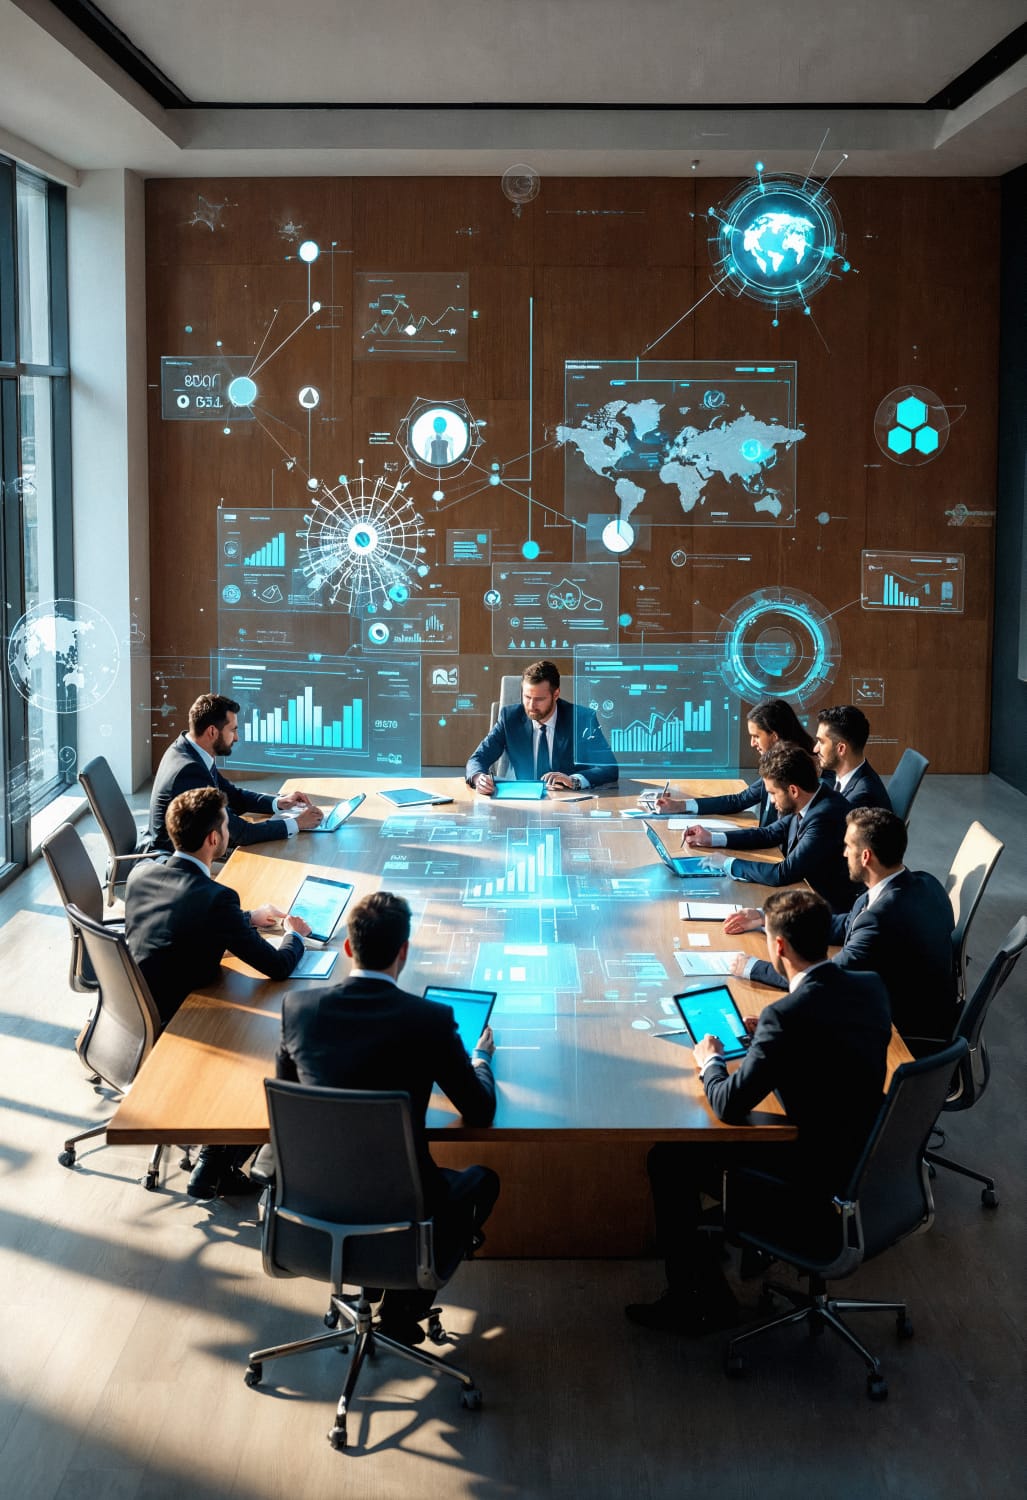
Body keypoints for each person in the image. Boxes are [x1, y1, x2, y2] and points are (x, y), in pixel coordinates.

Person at [626, 889, 891, 1335]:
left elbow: (729, 1105)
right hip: (865, 1157)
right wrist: (770, 1039)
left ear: (778, 947)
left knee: (668, 1158)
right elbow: (830, 1039)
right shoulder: (870, 986)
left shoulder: (787, 1018)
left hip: (810, 1173)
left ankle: (698, 1301)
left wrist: (709, 1060)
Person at [277, 890, 500, 1347]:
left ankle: (376, 1278)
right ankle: (406, 1304)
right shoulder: (429, 1020)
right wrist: (480, 1060)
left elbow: (288, 1096)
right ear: (404, 951)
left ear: (346, 948)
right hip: (405, 1207)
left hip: (314, 1203)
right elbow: (479, 1111)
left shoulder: (298, 1010)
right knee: (485, 1180)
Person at [125, 786, 312, 1199]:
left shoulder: (142, 874)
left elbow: (180, 915)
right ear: (214, 839)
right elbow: (277, 968)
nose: (229, 831)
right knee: (283, 1038)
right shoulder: (215, 898)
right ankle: (221, 1158)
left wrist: (245, 919)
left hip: (141, 1014)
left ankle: (215, 1159)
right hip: (189, 1020)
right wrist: (292, 936)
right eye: (226, 826)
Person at [725, 807, 957, 1045]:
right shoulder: (924, 883)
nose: (844, 853)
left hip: (900, 1031)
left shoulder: (881, 917)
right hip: (924, 1007)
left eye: (848, 846)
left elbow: (826, 979)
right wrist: (772, 919)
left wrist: (752, 967)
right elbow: (847, 924)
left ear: (866, 857)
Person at [682, 743, 860, 912]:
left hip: (825, 912)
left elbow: (784, 873)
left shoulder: (824, 816)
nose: (772, 801)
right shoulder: (809, 799)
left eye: (773, 793)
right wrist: (712, 838)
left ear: (793, 790)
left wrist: (727, 863)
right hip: (801, 895)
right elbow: (769, 833)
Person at [148, 693, 323, 853]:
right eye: (233, 730)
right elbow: (239, 833)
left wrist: (279, 803)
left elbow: (232, 795)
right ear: (212, 732)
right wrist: (296, 823)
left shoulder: (191, 750)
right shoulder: (189, 770)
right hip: (179, 863)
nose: (237, 738)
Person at [644, 698, 814, 823]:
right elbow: (739, 800)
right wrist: (679, 806)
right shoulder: (778, 764)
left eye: (756, 736)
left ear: (774, 736)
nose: (752, 743)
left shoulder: (797, 770)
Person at [465, 659, 618, 795]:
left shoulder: (582, 719)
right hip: (520, 801)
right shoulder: (510, 717)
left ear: (556, 694)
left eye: (539, 699)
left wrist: (573, 780)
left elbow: (609, 768)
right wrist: (479, 778)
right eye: (527, 697)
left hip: (565, 802)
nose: (531, 705)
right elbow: (477, 758)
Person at [814, 705, 891, 810]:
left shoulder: (857, 800)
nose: (815, 749)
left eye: (821, 742)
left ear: (841, 749)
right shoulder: (850, 773)